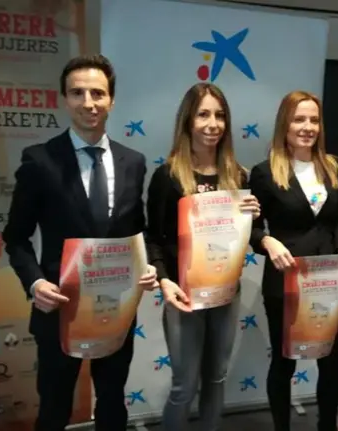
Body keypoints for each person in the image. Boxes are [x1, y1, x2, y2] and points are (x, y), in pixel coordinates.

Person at [2, 54, 159, 431]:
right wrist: (35, 283)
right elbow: (15, 237)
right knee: (55, 407)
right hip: (59, 307)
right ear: (64, 99)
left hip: (115, 306)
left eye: (97, 93)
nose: (88, 102)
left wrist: (148, 263)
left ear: (112, 99)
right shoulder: (39, 161)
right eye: (78, 93)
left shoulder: (133, 162)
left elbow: (138, 231)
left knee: (112, 402)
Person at [147, 82, 261, 431]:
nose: (213, 124)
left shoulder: (238, 176)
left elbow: (248, 239)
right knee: (184, 385)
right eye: (204, 114)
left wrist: (254, 218)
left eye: (220, 115)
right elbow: (152, 237)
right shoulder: (168, 176)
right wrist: (165, 281)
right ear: (188, 121)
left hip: (226, 292)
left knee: (216, 378)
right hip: (183, 296)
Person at [249, 91, 338, 431]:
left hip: (327, 281)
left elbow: (334, 223)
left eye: (313, 120)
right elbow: (251, 230)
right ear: (285, 124)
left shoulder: (331, 166)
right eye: (299, 119)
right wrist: (267, 241)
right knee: (284, 363)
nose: (307, 127)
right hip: (285, 282)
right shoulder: (265, 172)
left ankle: (327, 425)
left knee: (330, 361)